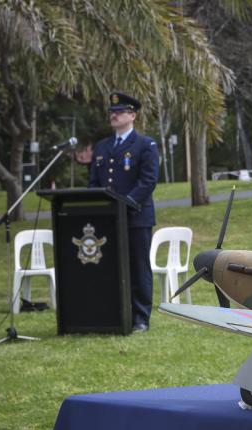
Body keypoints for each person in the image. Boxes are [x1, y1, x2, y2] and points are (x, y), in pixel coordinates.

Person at [88, 92, 159, 332]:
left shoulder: (145, 145)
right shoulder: (102, 147)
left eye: (119, 112)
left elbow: (148, 181)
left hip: (136, 217)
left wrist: (124, 204)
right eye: (111, 111)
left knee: (138, 268)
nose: (113, 115)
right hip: (107, 219)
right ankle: (113, 313)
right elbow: (94, 182)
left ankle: (140, 318)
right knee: (109, 268)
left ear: (133, 115)